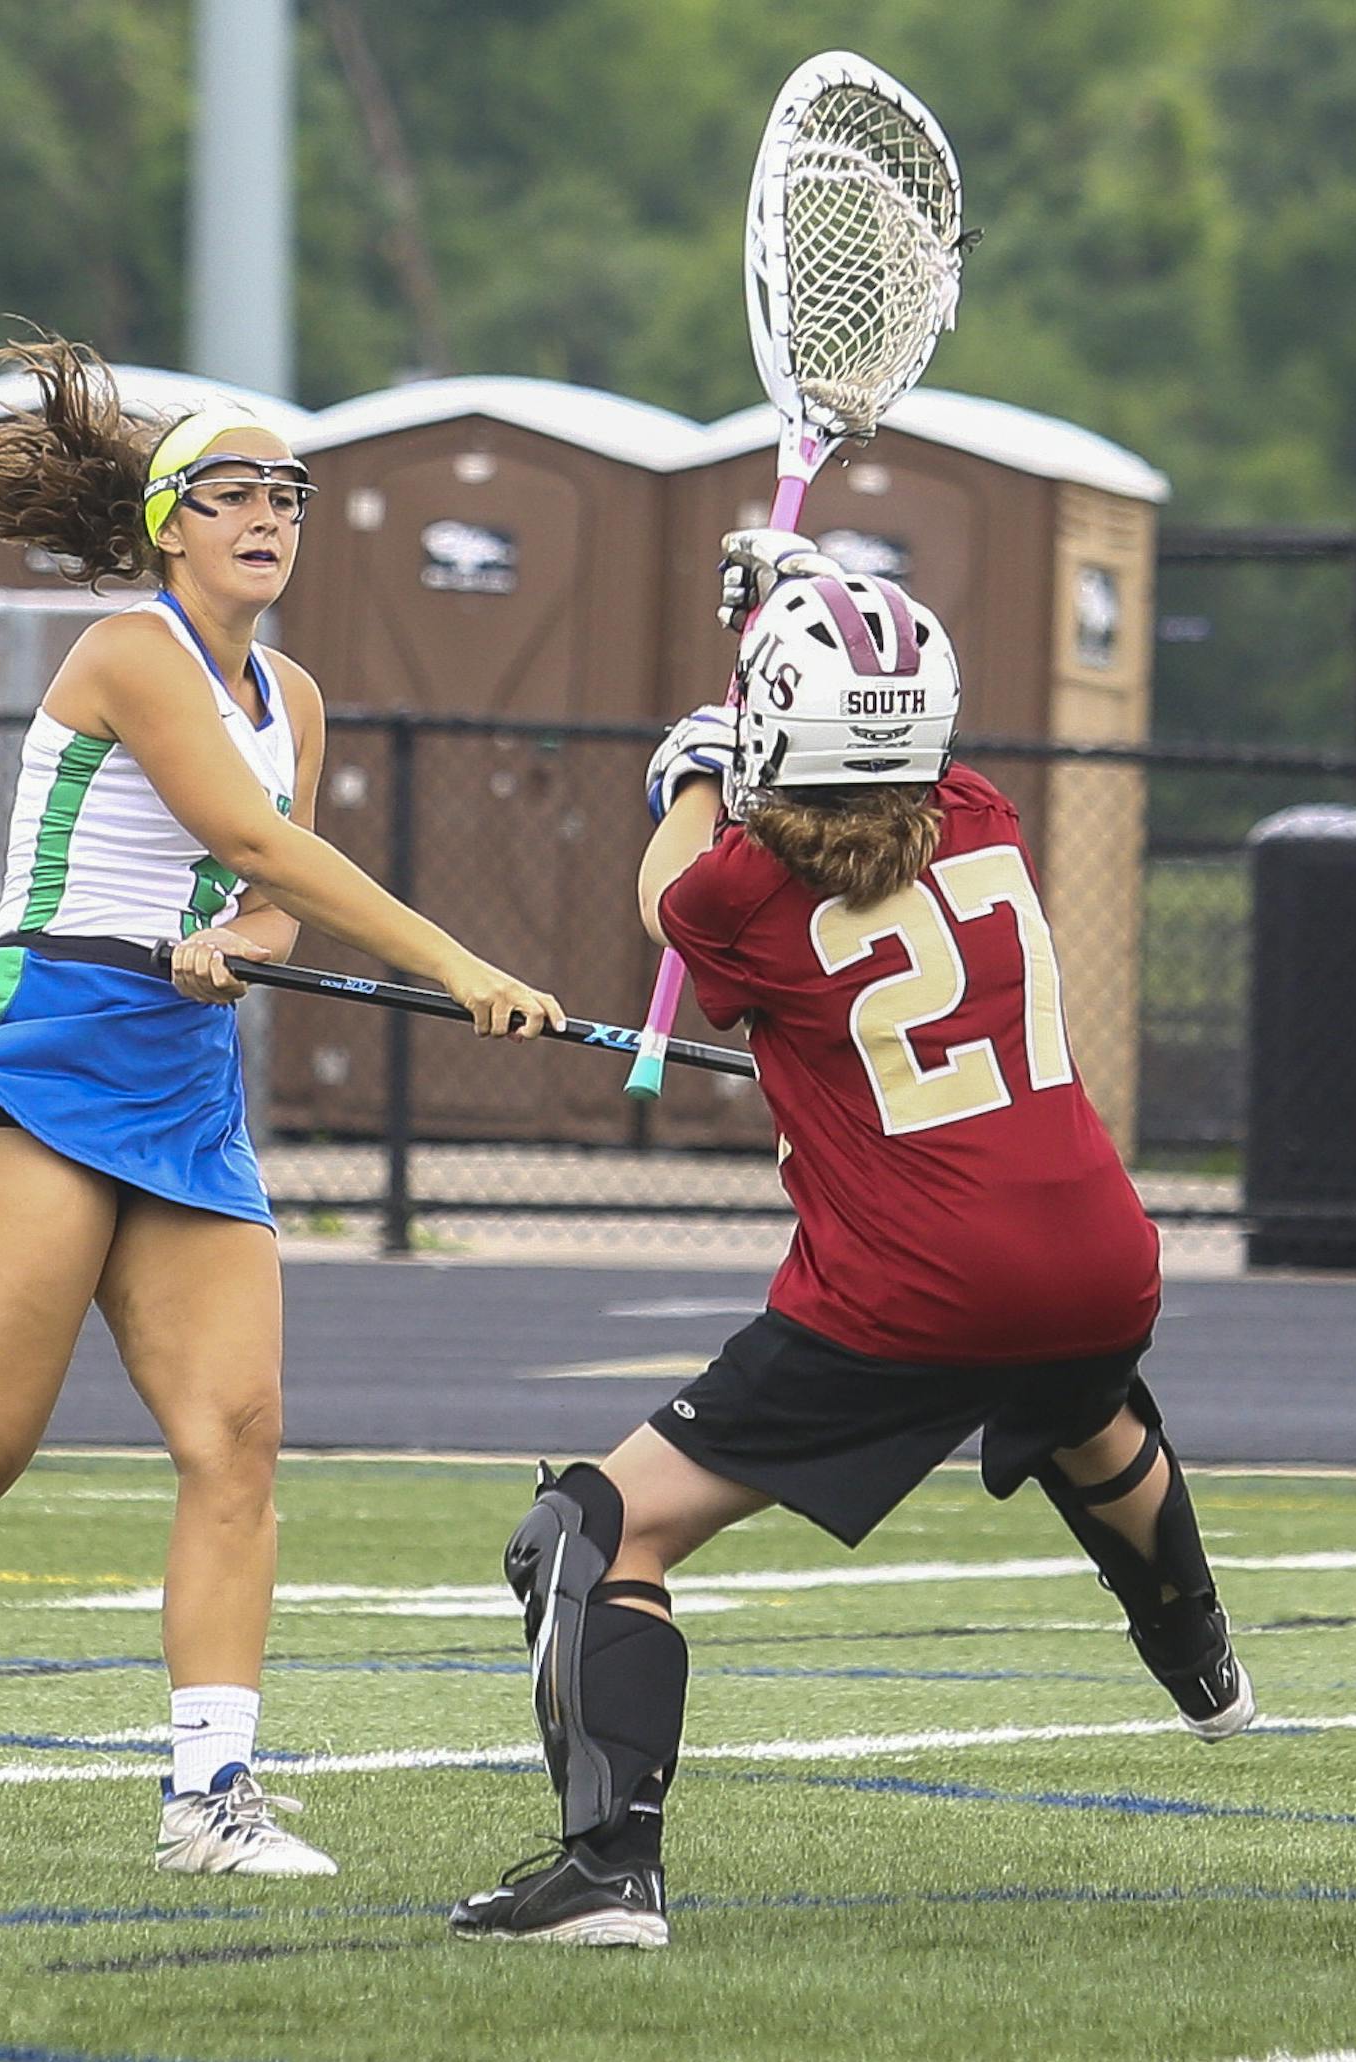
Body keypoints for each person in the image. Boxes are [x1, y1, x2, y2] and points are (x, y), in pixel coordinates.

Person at [0, 331, 564, 1877]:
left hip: (180, 1077)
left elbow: (263, 898)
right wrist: (458, 960)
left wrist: (236, 947)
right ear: (167, 525)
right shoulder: (130, 653)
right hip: (42, 1050)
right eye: (230, 493)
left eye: (285, 493)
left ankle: (209, 1797)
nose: (267, 514)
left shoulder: (296, 691)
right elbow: (257, 838)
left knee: (239, 1438)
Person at [449, 533, 1247, 1949]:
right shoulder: (991, 819)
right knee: (1081, 1406)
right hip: (1104, 1261)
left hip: (909, 1291)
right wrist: (780, 633)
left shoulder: (733, 896)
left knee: (589, 1527)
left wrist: (696, 764)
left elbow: (668, 895)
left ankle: (607, 1873)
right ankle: (1201, 1661)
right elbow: (867, 790)